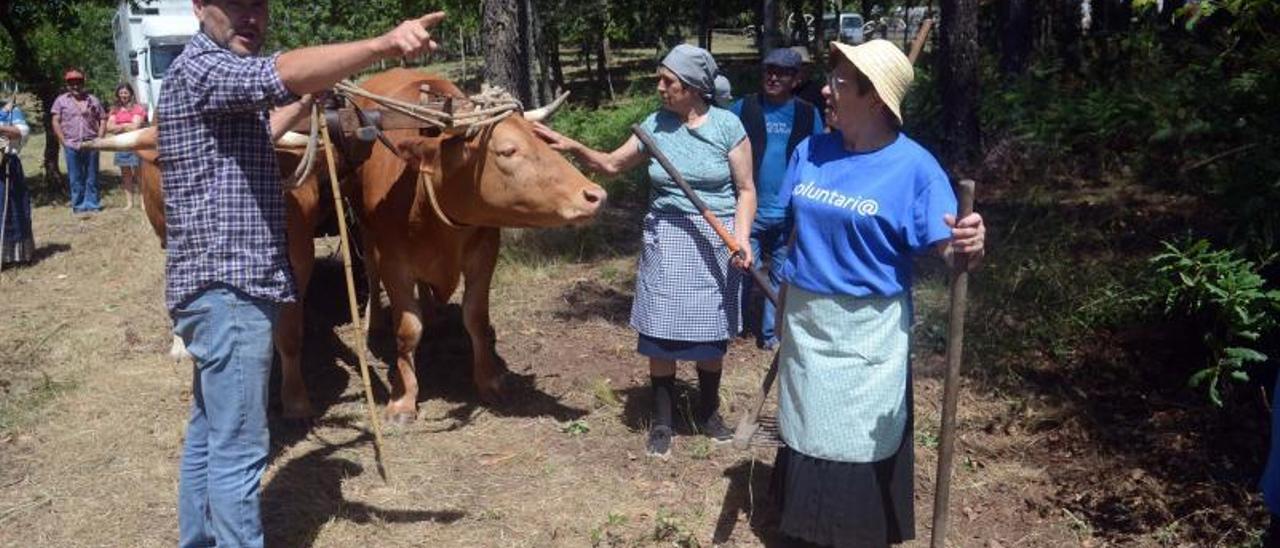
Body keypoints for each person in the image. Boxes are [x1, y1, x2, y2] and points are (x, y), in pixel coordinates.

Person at [160, 1, 445, 546]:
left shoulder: (200, 74)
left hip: (213, 288)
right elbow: (280, 73)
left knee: (208, 435)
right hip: (231, 288)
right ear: (199, 6)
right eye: (235, 5)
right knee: (240, 450)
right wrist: (383, 45)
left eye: (259, 6)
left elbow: (258, 126)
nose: (251, 17)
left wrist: (304, 105)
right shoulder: (206, 68)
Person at [769, 39, 986, 547]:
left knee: (855, 437)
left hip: (867, 330)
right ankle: (802, 530)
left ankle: (853, 535)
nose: (825, 89)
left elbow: (951, 254)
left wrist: (970, 246)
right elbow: (792, 231)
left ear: (874, 100)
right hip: (807, 320)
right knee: (805, 427)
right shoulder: (811, 150)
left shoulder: (915, 168)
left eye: (839, 83)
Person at [533, 44, 757, 459]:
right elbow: (611, 165)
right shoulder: (655, 125)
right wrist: (571, 145)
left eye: (667, 81)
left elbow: (746, 190)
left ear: (691, 87)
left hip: (715, 239)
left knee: (710, 336)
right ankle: (662, 421)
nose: (660, 87)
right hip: (667, 238)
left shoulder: (728, 126)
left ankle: (709, 414)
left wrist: (741, 238)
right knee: (661, 335)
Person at [730, 47, 824, 351]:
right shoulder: (744, 108)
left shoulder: (809, 114)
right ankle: (735, 328)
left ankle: (771, 335)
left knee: (782, 274)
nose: (772, 76)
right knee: (745, 269)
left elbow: (818, 160)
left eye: (782, 72)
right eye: (768, 70)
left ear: (796, 79)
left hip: (788, 214)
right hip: (749, 210)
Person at [51, 68, 106, 214]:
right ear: (67, 84)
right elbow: (55, 121)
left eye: (78, 82)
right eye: (72, 83)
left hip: (91, 143)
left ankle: (93, 204)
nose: (75, 86)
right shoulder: (61, 101)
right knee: (75, 177)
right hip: (71, 143)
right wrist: (63, 141)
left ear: (83, 83)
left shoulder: (93, 100)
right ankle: (79, 205)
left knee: (92, 175)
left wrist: (100, 137)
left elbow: (102, 118)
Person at [0, 97, 33, 266]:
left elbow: (21, 132)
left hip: (6, 164)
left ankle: (12, 256)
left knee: (10, 209)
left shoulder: (12, 110)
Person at [105, 83, 146, 210]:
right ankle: (129, 203)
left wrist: (119, 125)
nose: (124, 95)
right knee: (126, 174)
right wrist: (126, 125)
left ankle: (143, 202)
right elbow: (108, 127)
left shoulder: (138, 108)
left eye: (126, 92)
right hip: (121, 145)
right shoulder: (114, 110)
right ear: (118, 94)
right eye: (121, 92)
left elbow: (136, 126)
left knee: (139, 174)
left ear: (131, 94)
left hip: (135, 144)